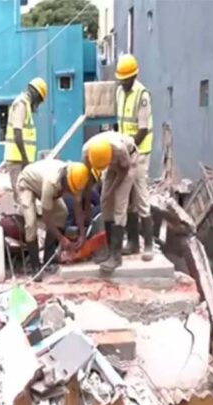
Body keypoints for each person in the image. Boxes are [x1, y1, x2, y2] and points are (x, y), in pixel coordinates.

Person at [85, 131, 154, 274]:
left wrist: (112, 190)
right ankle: (110, 250)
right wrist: (88, 202)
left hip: (129, 161)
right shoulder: (86, 151)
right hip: (112, 163)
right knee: (105, 202)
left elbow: (124, 170)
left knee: (119, 203)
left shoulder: (119, 150)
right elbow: (88, 177)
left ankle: (116, 256)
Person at [16, 159, 88, 281]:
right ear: (65, 180)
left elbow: (78, 209)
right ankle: (35, 266)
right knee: (31, 222)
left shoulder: (76, 180)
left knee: (62, 212)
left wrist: (82, 234)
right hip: (27, 184)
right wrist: (61, 238)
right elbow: (47, 217)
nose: (69, 192)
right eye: (68, 189)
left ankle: (48, 258)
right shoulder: (51, 182)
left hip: (42, 185)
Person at [115, 54, 154, 260]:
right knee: (127, 197)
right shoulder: (119, 93)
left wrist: (129, 149)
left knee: (141, 196)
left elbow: (143, 130)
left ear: (134, 75)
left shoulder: (142, 95)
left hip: (139, 153)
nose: (123, 82)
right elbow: (120, 124)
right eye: (121, 79)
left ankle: (148, 244)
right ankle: (132, 242)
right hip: (125, 152)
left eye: (127, 78)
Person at [4, 77, 48, 201]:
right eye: (39, 100)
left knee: (25, 197)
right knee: (22, 199)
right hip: (18, 161)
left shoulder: (25, 105)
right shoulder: (21, 103)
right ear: (35, 94)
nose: (38, 104)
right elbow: (17, 133)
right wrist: (25, 160)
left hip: (21, 161)